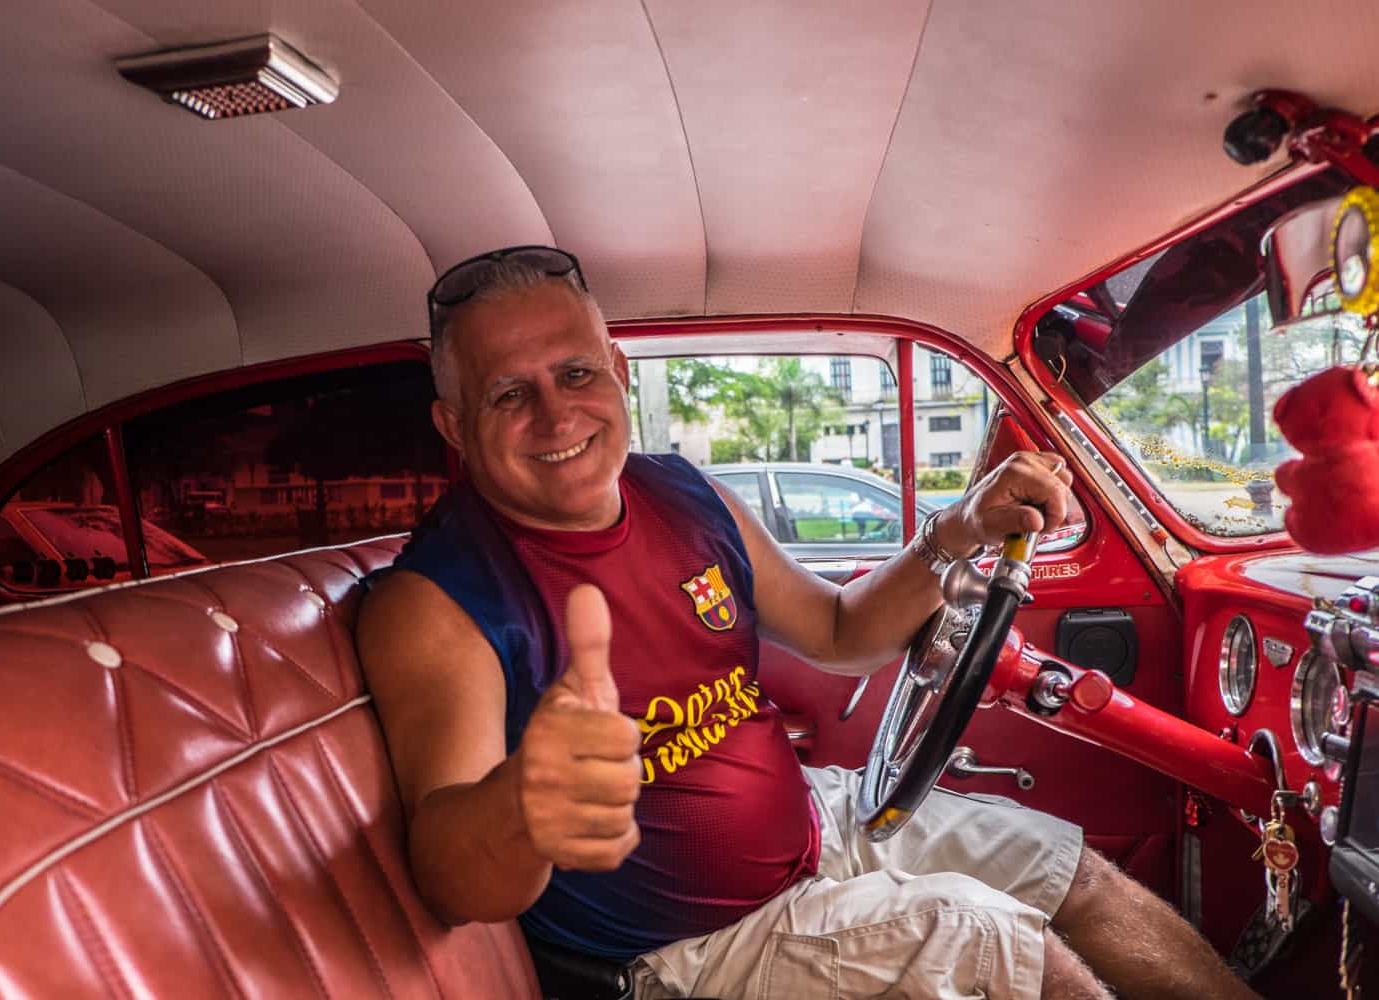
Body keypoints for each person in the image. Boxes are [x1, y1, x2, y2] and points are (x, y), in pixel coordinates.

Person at [356, 246, 1256, 999]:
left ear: (619, 372)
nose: (557, 413)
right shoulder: (437, 599)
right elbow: (448, 871)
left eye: (577, 372)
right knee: (1007, 946)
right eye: (509, 395)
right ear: (454, 424)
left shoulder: (680, 491)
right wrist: (526, 806)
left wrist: (959, 529)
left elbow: (837, 632)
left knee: (1076, 878)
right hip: (690, 954)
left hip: (818, 830)